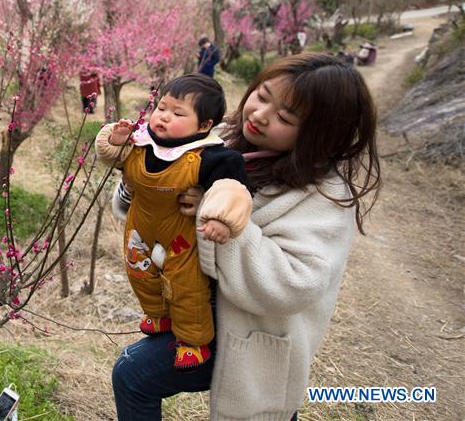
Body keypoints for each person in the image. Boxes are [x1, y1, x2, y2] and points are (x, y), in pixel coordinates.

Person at [111, 53, 381, 420]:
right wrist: (136, 185)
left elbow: (295, 281)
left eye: (285, 117)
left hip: (249, 332)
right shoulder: (218, 138)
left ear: (318, 134)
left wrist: (218, 217)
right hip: (193, 307)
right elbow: (154, 207)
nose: (259, 115)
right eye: (262, 95)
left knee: (135, 373)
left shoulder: (324, 196)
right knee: (133, 374)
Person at [95, 74, 253, 371]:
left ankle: (194, 342)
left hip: (180, 233)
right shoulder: (141, 140)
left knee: (186, 285)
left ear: (204, 125)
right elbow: (112, 157)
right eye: (162, 107)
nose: (164, 117)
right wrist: (114, 140)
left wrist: (221, 218)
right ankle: (157, 315)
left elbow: (232, 189)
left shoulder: (211, 157)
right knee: (138, 270)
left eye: (178, 113)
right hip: (141, 225)